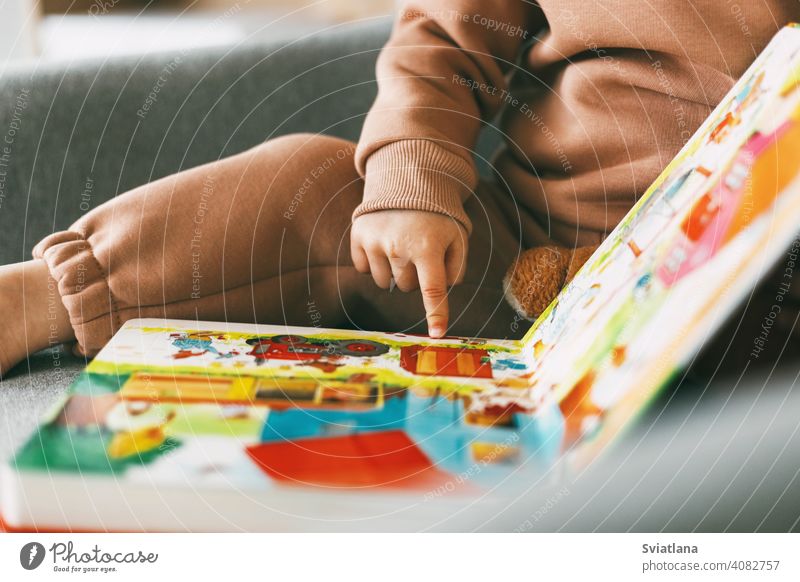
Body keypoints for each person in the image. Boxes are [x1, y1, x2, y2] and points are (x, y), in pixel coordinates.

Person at [0, 0, 796, 376]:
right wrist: (412, 182)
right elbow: (442, 44)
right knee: (314, 183)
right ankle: (40, 299)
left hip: (762, 309)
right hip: (515, 247)